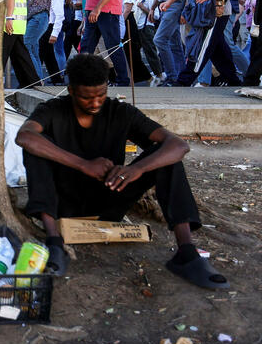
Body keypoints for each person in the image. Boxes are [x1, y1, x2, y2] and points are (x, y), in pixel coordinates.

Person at [15, 54, 229, 289]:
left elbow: (178, 145)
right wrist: (83, 164)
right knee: (36, 147)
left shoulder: (121, 112)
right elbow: (25, 136)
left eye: (101, 95)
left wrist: (137, 169)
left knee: (166, 157)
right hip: (62, 204)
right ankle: (54, 243)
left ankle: (186, 252)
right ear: (71, 91)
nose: (95, 103)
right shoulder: (53, 109)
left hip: (109, 199)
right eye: (87, 97)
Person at [134, 0, 164, 84]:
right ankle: (150, 75)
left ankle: (159, 74)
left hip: (147, 27)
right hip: (139, 27)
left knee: (150, 52)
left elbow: (156, 16)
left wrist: (143, 7)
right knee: (138, 53)